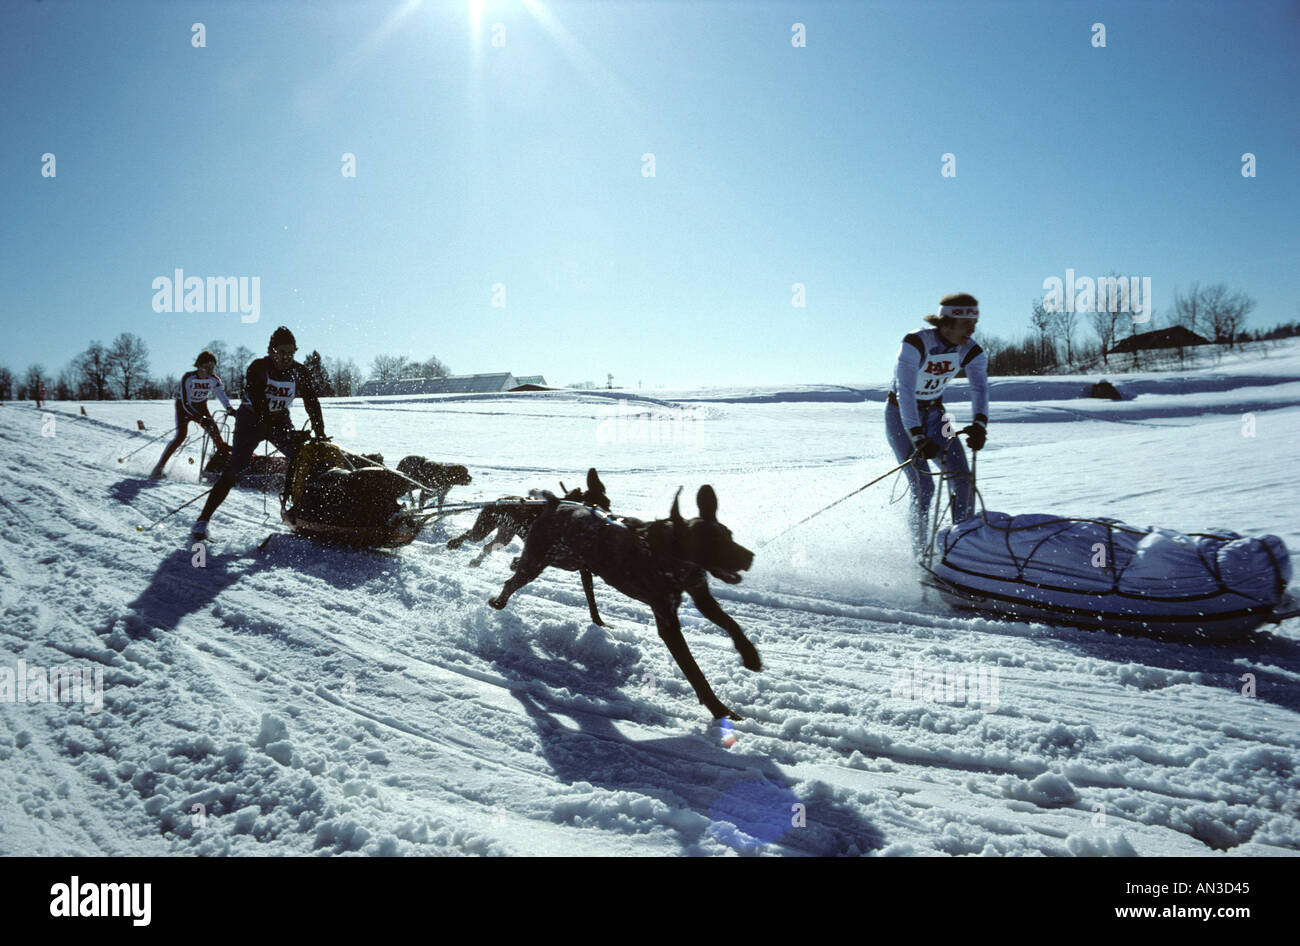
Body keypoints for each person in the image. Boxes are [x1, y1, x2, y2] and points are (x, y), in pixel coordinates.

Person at [191, 327, 326, 537]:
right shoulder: (259, 367)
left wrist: (320, 432)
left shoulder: (299, 371)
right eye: (281, 352)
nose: (286, 357)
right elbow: (260, 402)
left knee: (303, 459)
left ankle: (301, 512)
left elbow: (311, 401)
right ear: (271, 351)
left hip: (279, 417)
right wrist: (282, 431)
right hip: (251, 419)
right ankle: (203, 520)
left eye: (291, 352)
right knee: (235, 467)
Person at [884, 292, 989, 554]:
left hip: (935, 416)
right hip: (901, 415)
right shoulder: (915, 343)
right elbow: (904, 392)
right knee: (924, 486)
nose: (972, 331)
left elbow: (980, 388)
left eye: (974, 325)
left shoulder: (972, 350)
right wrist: (917, 435)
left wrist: (980, 424)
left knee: (963, 479)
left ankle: (960, 550)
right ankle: (921, 553)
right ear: (946, 323)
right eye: (966, 325)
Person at [150, 350, 233, 478]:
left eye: (212, 367)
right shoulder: (189, 378)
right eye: (206, 367)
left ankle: (222, 466)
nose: (210, 371)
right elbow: (185, 403)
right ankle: (159, 467)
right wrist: (199, 418)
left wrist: (229, 409)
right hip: (184, 408)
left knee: (216, 434)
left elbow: (222, 396)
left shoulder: (214, 380)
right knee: (180, 437)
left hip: (201, 406)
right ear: (199, 366)